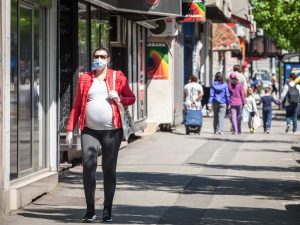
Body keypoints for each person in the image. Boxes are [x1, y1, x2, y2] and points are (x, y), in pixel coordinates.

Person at [65, 47, 136, 222]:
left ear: (108, 59)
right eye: (96, 56)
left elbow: (131, 98)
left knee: (108, 169)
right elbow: (76, 105)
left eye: (102, 56)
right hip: (89, 129)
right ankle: (90, 210)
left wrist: (119, 98)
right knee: (88, 166)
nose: (99, 59)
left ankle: (107, 209)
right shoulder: (85, 78)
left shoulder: (117, 77)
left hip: (112, 130)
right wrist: (69, 129)